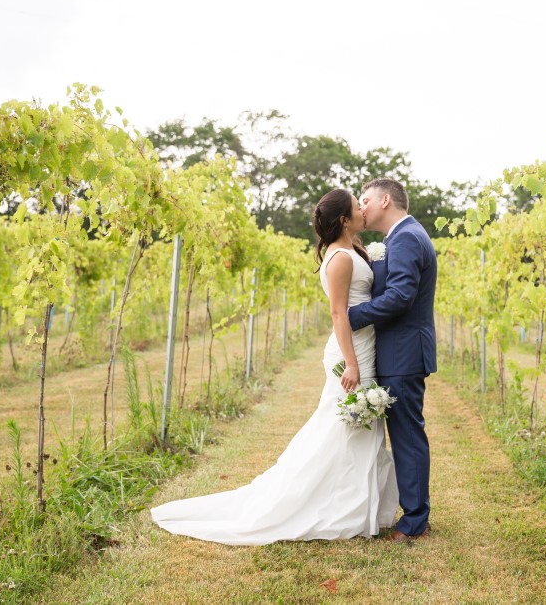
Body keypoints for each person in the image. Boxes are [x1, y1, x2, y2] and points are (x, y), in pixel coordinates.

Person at [150, 189, 398, 544]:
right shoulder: (340, 257)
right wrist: (352, 365)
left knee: (358, 429)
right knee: (343, 427)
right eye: (356, 207)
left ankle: (357, 508)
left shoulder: (355, 248)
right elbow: (337, 313)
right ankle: (329, 506)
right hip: (351, 351)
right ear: (343, 220)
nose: (362, 209)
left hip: (366, 345)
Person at [348, 178, 437, 542]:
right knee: (403, 434)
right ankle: (410, 514)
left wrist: (353, 316)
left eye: (365, 200)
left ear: (386, 200)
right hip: (397, 349)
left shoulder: (406, 238)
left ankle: (415, 522)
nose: (362, 207)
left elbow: (401, 296)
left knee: (407, 437)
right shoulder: (397, 239)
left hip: (403, 351)